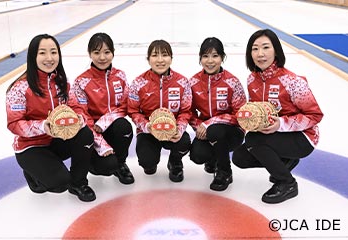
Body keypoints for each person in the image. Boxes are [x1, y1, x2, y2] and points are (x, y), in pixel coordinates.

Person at [232, 29, 324, 204]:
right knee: (240, 157)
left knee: (253, 141)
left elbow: (314, 115)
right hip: (275, 135)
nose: (260, 54)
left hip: (303, 137)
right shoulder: (252, 80)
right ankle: (285, 161)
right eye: (255, 49)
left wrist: (280, 124)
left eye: (266, 47)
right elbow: (258, 112)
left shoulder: (292, 81)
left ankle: (287, 183)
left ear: (276, 51)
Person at [6, 34, 96, 202]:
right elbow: (14, 124)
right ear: (33, 56)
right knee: (60, 183)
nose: (49, 58)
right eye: (42, 53)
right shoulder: (19, 88)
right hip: (30, 147)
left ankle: (78, 183)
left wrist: (76, 118)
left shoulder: (61, 82)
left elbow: (77, 108)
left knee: (84, 134)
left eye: (53, 52)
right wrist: (43, 126)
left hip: (56, 141)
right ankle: (33, 173)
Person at [68, 32, 134, 185]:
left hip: (111, 127)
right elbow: (81, 115)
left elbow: (127, 105)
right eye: (97, 53)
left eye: (107, 52)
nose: (102, 57)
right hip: (92, 132)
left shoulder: (120, 76)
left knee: (124, 127)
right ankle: (93, 163)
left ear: (113, 53)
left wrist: (107, 119)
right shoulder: (81, 81)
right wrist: (101, 145)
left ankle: (121, 163)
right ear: (89, 54)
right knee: (106, 166)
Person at [127, 39, 192, 182]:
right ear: (148, 59)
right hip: (148, 132)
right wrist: (146, 126)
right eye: (155, 55)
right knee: (147, 164)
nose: (160, 60)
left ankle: (175, 162)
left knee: (185, 142)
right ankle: (150, 162)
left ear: (171, 58)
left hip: (171, 129)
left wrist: (179, 129)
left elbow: (186, 111)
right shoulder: (139, 83)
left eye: (165, 55)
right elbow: (132, 110)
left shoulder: (182, 82)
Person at [189, 37, 246, 191]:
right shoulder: (193, 82)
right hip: (207, 132)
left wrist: (209, 123)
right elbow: (188, 111)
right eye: (205, 56)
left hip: (232, 133)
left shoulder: (232, 82)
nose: (210, 61)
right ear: (200, 58)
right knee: (197, 155)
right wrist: (199, 127)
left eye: (215, 56)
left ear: (222, 57)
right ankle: (212, 159)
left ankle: (225, 172)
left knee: (216, 130)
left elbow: (240, 115)